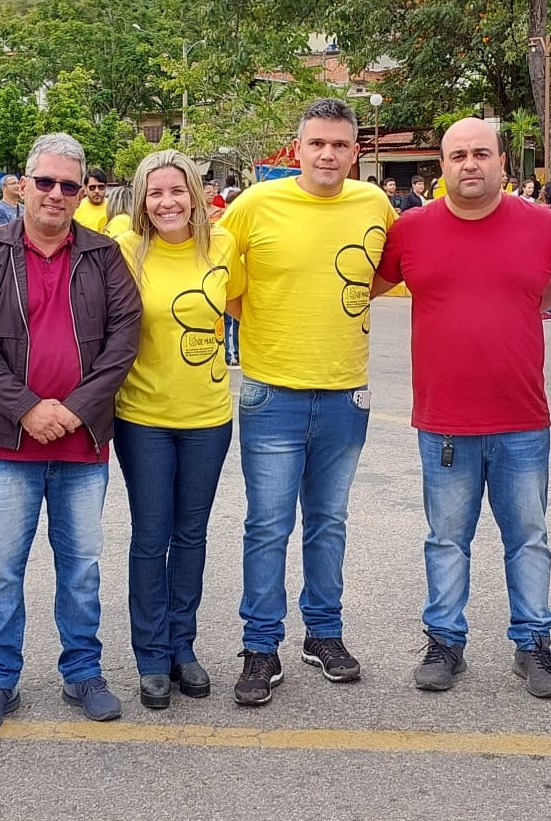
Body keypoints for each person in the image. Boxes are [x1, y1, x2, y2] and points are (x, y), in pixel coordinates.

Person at [374, 117, 551, 699]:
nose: (469, 164)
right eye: (457, 155)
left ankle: (532, 642)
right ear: (442, 166)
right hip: (444, 420)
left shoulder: (544, 226)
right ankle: (445, 641)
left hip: (522, 417)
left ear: (502, 162)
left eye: (481, 153)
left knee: (528, 537)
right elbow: (368, 286)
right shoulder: (411, 230)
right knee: (446, 538)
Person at [0, 132, 142, 733]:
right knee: (0, 569)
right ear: (23, 184)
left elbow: (124, 340)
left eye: (69, 185)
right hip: (5, 442)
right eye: (45, 182)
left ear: (82, 192)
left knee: (81, 568)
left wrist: (77, 409)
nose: (56, 194)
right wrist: (28, 409)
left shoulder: (105, 255)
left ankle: (83, 672)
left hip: (83, 443)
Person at [218, 98, 397, 706]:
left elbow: (384, 273)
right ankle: (260, 645)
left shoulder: (374, 204)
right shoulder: (254, 204)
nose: (327, 154)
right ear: (297, 149)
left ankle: (323, 633)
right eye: (317, 143)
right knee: (268, 526)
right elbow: (222, 282)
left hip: (346, 392)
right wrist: (267, 317)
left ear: (355, 152)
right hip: (272, 393)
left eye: (340, 145)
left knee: (328, 523)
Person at [112, 149, 242, 709]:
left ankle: (182, 646)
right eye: (155, 193)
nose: (167, 202)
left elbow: (240, 307)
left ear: (195, 194)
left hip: (208, 417)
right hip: (142, 416)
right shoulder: (122, 248)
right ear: (141, 199)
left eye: (177, 190)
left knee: (191, 535)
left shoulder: (223, 245)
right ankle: (150, 655)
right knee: (150, 535)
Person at [75, 168, 110, 232]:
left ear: (106, 186)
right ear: (85, 187)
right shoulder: (76, 208)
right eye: (92, 187)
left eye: (101, 187)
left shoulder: (113, 207)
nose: (97, 191)